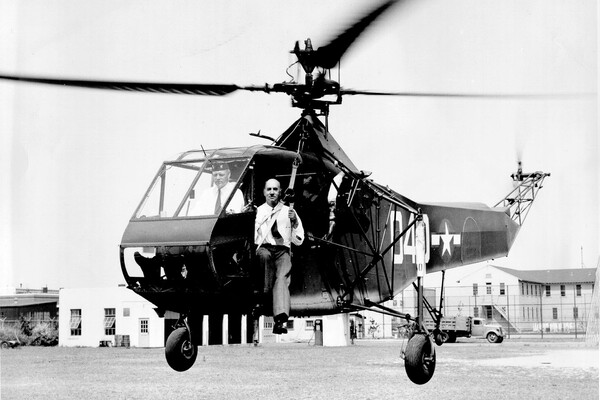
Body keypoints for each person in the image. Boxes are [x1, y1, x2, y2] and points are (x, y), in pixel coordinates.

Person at [254, 178, 304, 334]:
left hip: (282, 250)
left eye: (275, 189)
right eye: (269, 189)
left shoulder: (289, 211)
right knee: (264, 257)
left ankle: (281, 320)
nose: (272, 192)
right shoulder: (257, 212)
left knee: (282, 278)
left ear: (280, 192)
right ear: (264, 192)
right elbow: (253, 237)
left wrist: (295, 222)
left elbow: (298, 240)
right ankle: (265, 298)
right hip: (265, 248)